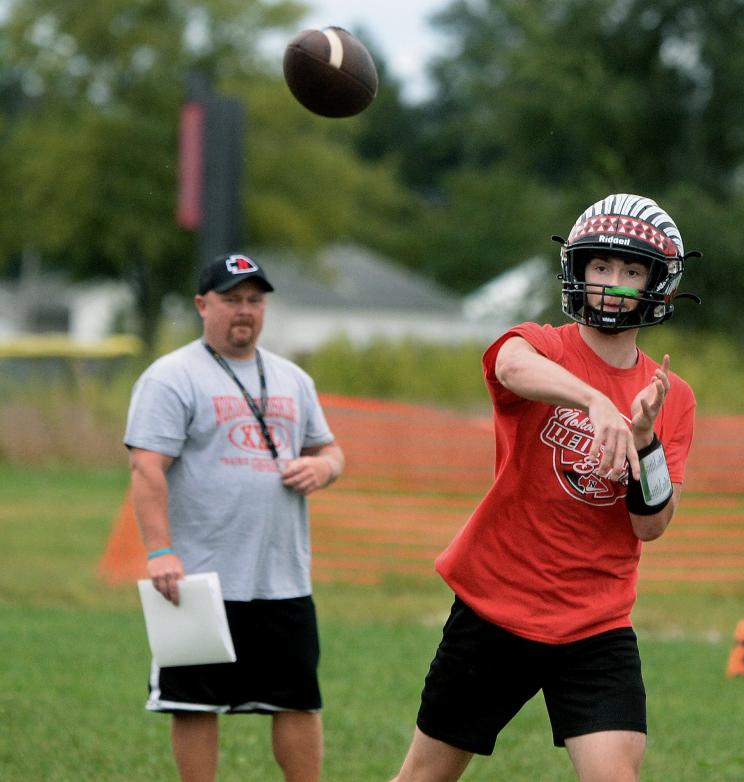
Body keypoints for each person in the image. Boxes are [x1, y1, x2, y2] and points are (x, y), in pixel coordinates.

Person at [390, 194, 699, 782]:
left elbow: (651, 526)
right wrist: (594, 400)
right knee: (424, 777)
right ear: (577, 270)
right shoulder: (545, 345)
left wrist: (644, 441)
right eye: (600, 266)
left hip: (595, 621)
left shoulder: (671, 395)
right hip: (496, 606)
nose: (612, 283)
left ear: (657, 285)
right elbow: (509, 366)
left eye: (632, 271)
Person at [125, 252, 344, 782]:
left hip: (282, 577)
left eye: (254, 300)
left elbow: (331, 450)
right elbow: (146, 468)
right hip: (198, 575)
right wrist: (160, 552)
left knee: (297, 700)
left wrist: (324, 470)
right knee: (195, 703)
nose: (244, 311)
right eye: (231, 299)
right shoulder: (171, 377)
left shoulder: (293, 378)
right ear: (203, 305)